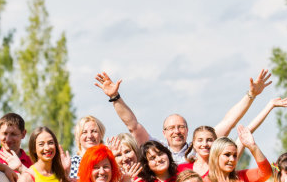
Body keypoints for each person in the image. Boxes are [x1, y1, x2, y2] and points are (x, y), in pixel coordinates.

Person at [94, 69, 273, 164]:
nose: (176, 131)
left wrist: (251, 95)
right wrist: (114, 97)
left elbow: (229, 122)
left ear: (187, 131)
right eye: (171, 128)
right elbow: (132, 125)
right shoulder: (156, 151)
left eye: (180, 127)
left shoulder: (199, 147)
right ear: (164, 133)